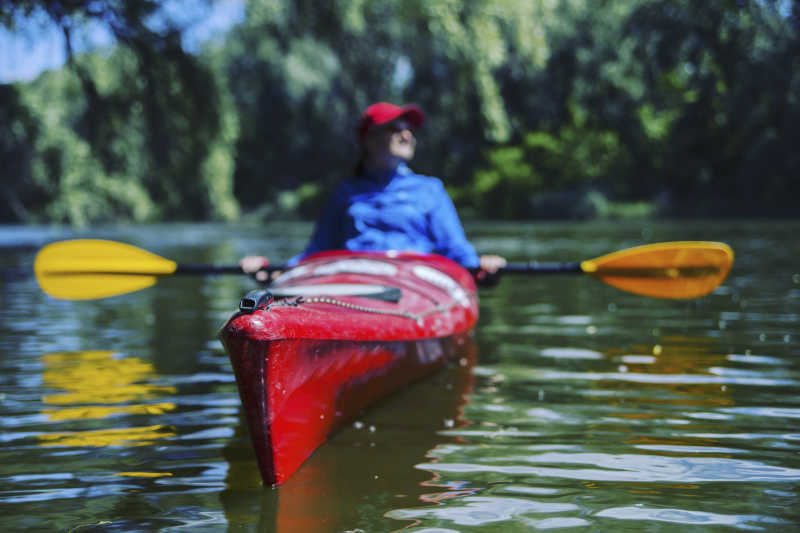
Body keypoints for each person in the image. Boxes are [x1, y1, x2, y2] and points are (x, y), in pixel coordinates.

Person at [241, 102, 506, 281]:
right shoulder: (345, 193)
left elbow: (456, 249)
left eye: (409, 129)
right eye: (396, 128)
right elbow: (316, 253)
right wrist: (273, 272)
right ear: (368, 139)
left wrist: (481, 267)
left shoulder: (430, 190)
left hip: (414, 282)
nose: (407, 135)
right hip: (354, 282)